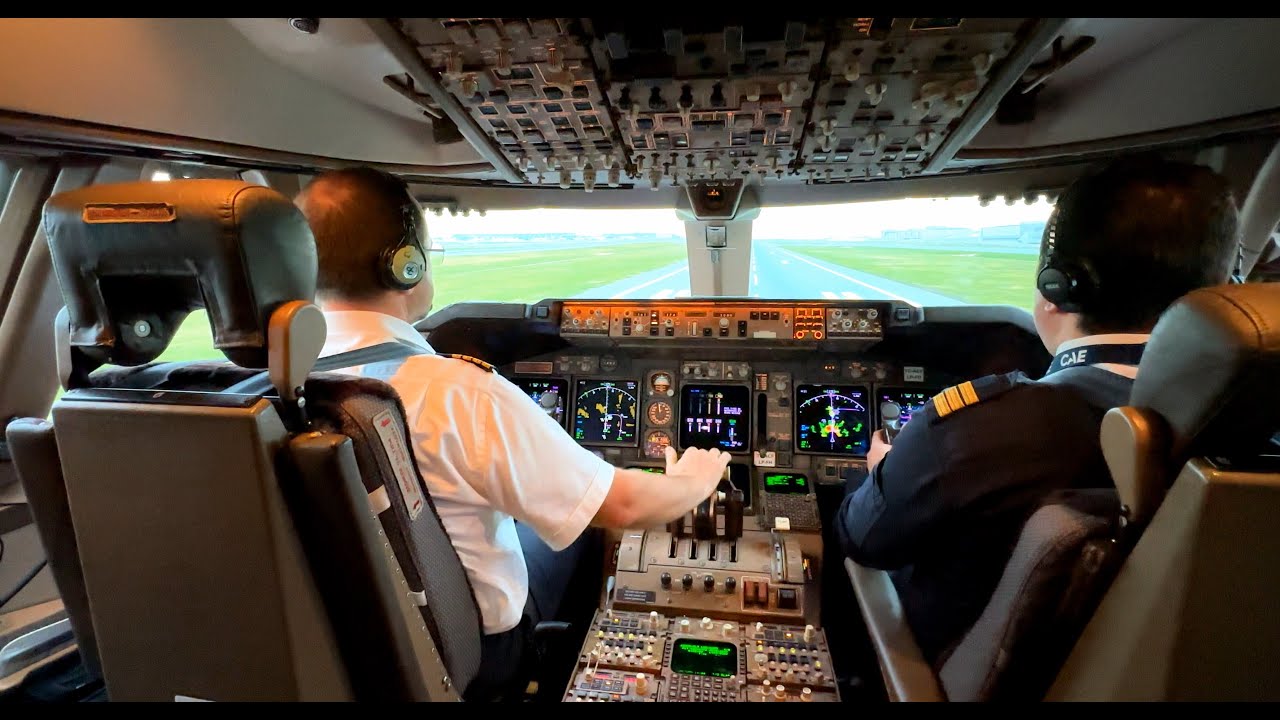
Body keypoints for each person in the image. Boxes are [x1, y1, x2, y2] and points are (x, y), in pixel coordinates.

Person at [294, 167, 731, 698]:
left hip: (343, 642)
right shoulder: (457, 391)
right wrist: (694, 480)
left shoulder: (271, 389)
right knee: (573, 527)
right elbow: (624, 507)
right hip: (468, 653)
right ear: (405, 265)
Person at [834, 156, 1242, 663]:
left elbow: (863, 536)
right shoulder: (1252, 439)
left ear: (1057, 288)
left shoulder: (982, 430)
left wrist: (880, 474)